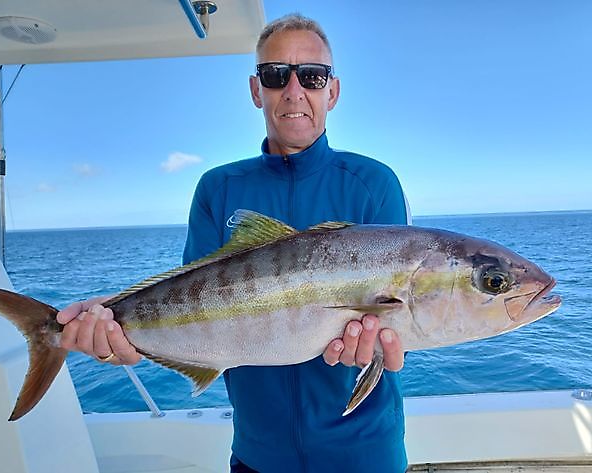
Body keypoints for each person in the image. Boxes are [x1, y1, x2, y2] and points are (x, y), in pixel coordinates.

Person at [58, 14, 409, 473]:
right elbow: (192, 304)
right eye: (276, 74)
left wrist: (387, 341)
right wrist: (120, 327)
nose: (294, 91)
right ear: (255, 89)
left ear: (332, 91)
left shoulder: (373, 183)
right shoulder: (218, 188)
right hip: (256, 457)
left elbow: (393, 317)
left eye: (312, 76)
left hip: (366, 455)